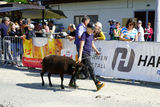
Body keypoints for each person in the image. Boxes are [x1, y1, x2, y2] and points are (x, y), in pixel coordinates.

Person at [69, 23, 105, 91]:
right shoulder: (84, 35)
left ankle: (71, 82)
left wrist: (96, 50)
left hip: (88, 53)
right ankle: (97, 83)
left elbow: (91, 44)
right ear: (88, 28)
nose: (93, 30)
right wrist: (80, 56)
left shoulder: (91, 35)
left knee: (79, 68)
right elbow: (81, 46)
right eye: (92, 29)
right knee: (91, 67)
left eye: (93, 29)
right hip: (84, 53)